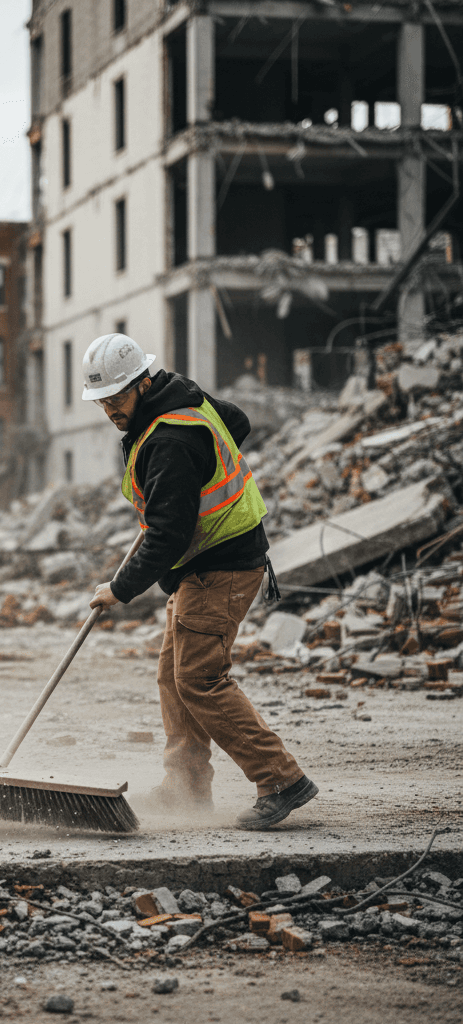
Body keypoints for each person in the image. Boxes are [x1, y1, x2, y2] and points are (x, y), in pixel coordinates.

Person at [84, 333, 317, 830]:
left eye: (116, 398)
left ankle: (281, 779)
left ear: (143, 385)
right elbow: (238, 423)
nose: (109, 410)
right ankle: (185, 787)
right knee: (174, 674)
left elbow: (166, 535)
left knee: (199, 678)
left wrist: (119, 589)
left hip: (222, 566)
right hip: (208, 562)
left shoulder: (168, 439)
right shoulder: (183, 397)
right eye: (102, 401)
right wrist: (192, 478)